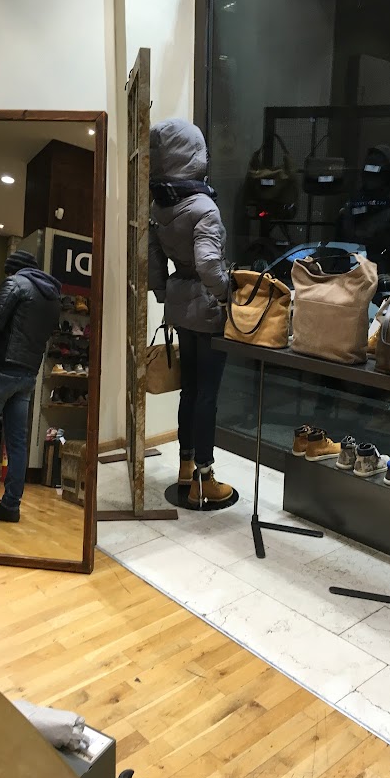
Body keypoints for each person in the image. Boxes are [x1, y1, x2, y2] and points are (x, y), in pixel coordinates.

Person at [148, 118, 233, 506]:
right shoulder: (203, 207)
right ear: (193, 154)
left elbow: (153, 263)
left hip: (180, 308)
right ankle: (205, 476)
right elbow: (209, 265)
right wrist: (227, 296)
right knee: (208, 395)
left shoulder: (159, 207)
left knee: (190, 389)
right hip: (208, 310)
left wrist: (164, 295)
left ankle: (185, 467)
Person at [0, 250, 61, 522]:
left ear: (13, 270)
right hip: (28, 374)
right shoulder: (52, 296)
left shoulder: (15, 284)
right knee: (17, 441)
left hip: (0, 369)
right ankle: (10, 506)